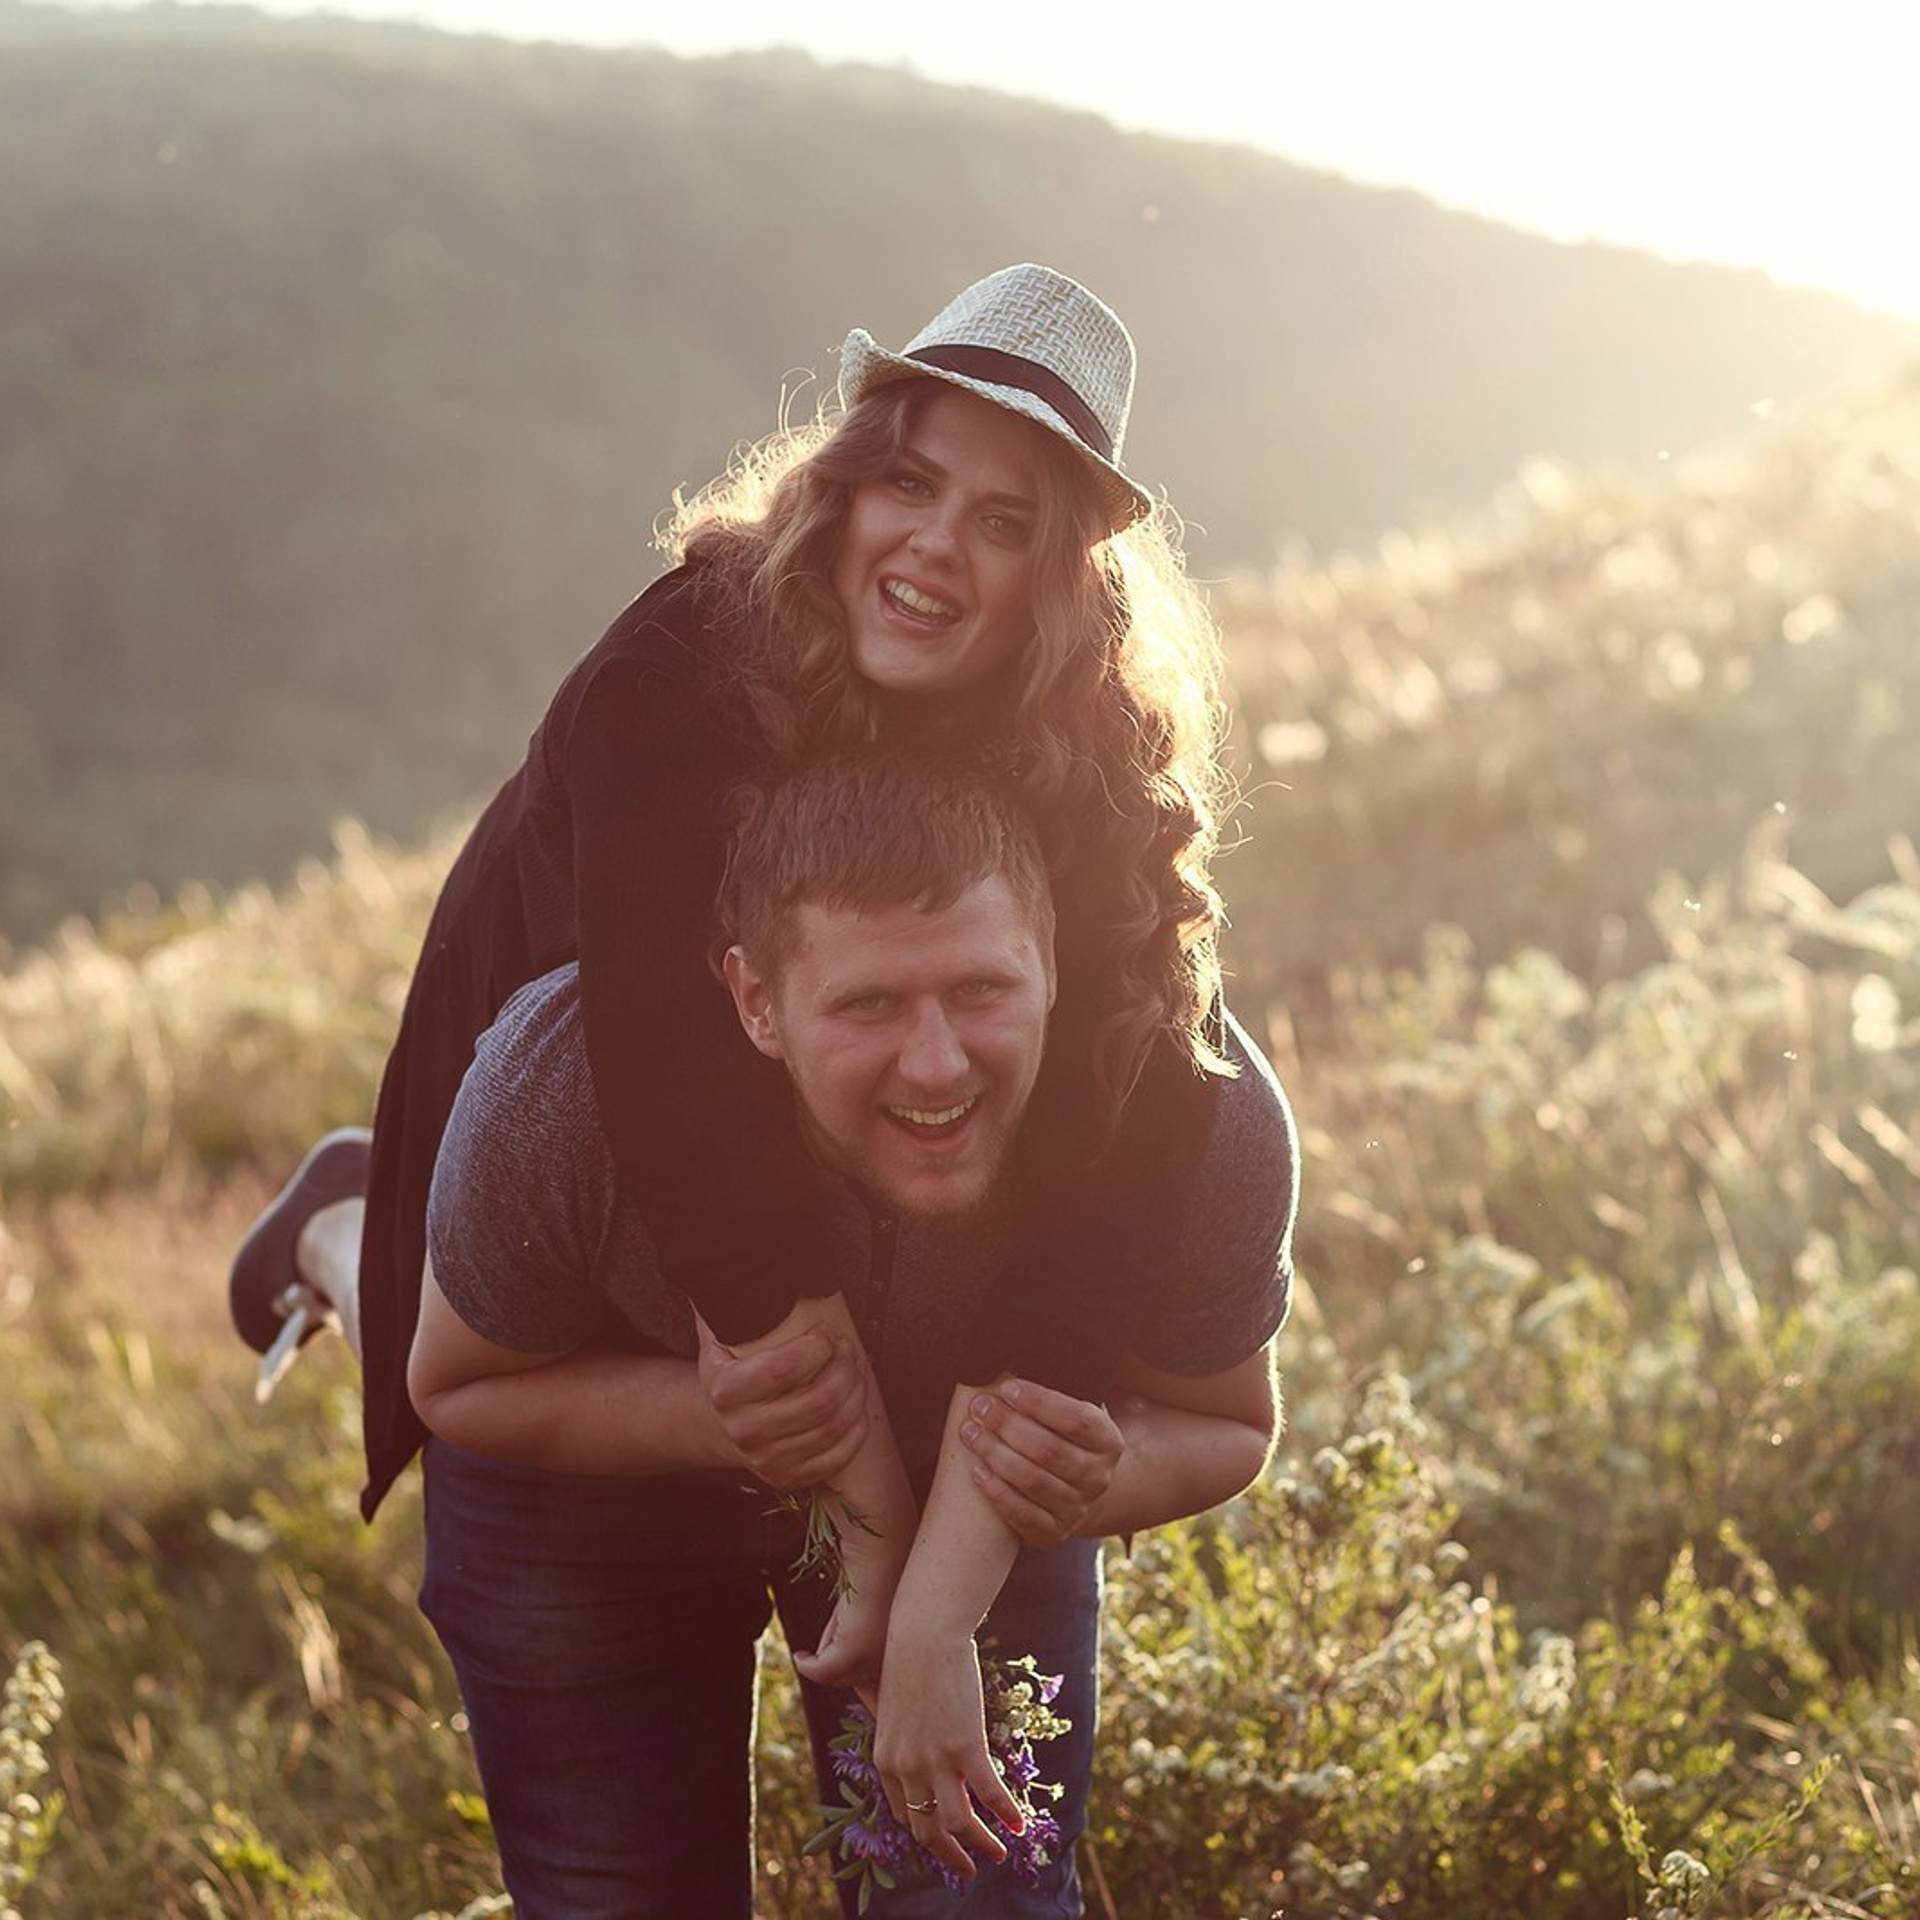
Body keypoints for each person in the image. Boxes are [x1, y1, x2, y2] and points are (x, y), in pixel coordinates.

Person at [228, 261, 1272, 1903]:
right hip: (581, 1098)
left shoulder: (1078, 747)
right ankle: (349, 1224)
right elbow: (685, 1107)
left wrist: (935, 1606)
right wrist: (872, 1538)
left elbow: (1120, 1105)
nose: (935, 544)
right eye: (910, 482)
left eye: (1004, 521)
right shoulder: (679, 675)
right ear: (847, 480)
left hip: (834, 1145)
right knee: (481, 1302)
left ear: (1060, 572)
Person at [401, 753, 1296, 1915]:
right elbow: (461, 1386)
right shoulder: (562, 1089)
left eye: (980, 991)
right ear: (755, 1003)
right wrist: (713, 1416)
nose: (937, 1062)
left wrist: (1083, 1466)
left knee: (979, 1902)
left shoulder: (1196, 1104)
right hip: (607, 1473)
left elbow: (1229, 1422)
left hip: (960, 1492)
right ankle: (341, 1223)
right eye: (868, 1004)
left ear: (1054, 964)